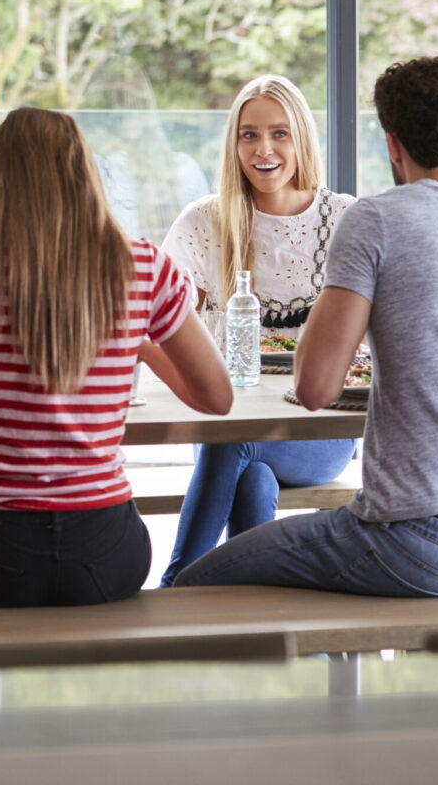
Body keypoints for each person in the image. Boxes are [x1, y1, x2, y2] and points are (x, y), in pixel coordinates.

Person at [0, 107, 233, 607]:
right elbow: (217, 397)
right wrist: (136, 338)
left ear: (1, 177)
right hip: (107, 554)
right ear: (85, 168)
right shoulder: (144, 266)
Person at [174, 56, 438, 595]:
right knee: (252, 483)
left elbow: (315, 387)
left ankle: (170, 591)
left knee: (195, 585)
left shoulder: (369, 218)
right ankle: (292, 671)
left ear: (392, 146)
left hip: (412, 539)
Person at [151, 74, 357, 587]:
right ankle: (260, 609)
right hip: (230, 419)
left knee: (233, 444)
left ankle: (178, 585)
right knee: (252, 480)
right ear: (234, 143)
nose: (263, 149)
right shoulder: (205, 222)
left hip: (316, 429)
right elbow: (158, 320)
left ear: (301, 138)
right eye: (249, 135)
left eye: (279, 133)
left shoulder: (346, 219)